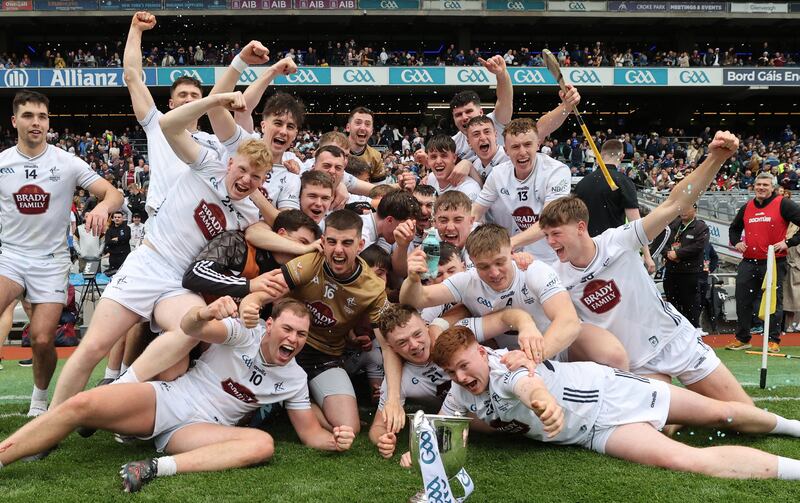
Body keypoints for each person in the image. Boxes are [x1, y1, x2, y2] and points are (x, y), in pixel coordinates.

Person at [50, 91, 271, 410]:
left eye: (256, 177)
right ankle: (49, 424)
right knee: (94, 345)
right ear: (231, 163)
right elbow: (168, 124)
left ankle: (116, 393)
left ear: (263, 182)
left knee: (189, 336)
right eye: (243, 170)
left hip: (181, 283)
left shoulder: (249, 212)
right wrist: (215, 100)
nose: (246, 180)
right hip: (148, 263)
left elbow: (270, 228)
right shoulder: (207, 163)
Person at [0, 298, 354, 492]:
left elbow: (309, 432)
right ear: (270, 325)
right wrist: (204, 313)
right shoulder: (242, 331)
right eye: (288, 329)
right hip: (170, 399)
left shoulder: (294, 376)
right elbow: (188, 329)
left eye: (302, 335)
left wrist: (334, 440)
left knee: (262, 445)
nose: (293, 339)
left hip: (199, 431)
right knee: (80, 404)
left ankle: (155, 468)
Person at [418, 325, 800, 480]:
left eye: (465, 366)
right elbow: (444, 429)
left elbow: (528, 388)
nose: (462, 377)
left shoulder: (505, 367)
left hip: (612, 392)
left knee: (724, 412)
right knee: (683, 459)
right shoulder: (460, 390)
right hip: (595, 432)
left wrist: (544, 404)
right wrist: (423, 451)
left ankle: (793, 427)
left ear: (482, 353)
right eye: (452, 372)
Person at [537, 131, 752, 405]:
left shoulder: (617, 241)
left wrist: (716, 158)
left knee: (744, 413)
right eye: (545, 236)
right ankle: (679, 409)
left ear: (580, 228)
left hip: (673, 341)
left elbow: (674, 204)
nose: (550, 242)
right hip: (637, 365)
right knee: (658, 423)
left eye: (555, 234)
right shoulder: (556, 276)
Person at [0, 90, 122, 416]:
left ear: (48, 122)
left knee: (41, 340)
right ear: (15, 122)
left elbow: (113, 192)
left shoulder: (66, 163)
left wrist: (104, 207)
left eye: (41, 116)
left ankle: (39, 402)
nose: (36, 122)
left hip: (51, 262)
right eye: (28, 116)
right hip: (9, 256)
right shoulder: (2, 164)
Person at [239, 210, 405, 435]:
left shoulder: (373, 287)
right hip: (286, 342)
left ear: (360, 245)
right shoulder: (310, 261)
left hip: (324, 356)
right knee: (241, 405)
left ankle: (287, 400)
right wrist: (250, 303)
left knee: (348, 427)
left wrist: (393, 399)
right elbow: (264, 293)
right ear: (323, 242)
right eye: (332, 242)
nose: (338, 250)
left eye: (347, 243)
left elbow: (388, 345)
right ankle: (285, 397)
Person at [400, 223, 627, 368]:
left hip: (554, 346)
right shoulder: (468, 280)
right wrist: (411, 278)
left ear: (512, 252)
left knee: (614, 355)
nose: (494, 273)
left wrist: (535, 356)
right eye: (484, 267)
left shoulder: (533, 271)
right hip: (503, 359)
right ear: (473, 263)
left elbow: (568, 322)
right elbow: (415, 300)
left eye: (500, 262)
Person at [471, 118, 570, 264]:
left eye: (527, 145)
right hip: (513, 260)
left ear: (538, 144)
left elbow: (549, 221)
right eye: (515, 147)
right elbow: (476, 212)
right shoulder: (498, 173)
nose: (522, 152)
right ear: (506, 150)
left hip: (550, 260)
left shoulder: (557, 171)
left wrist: (508, 243)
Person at [727, 172, 800, 353]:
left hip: (774, 261)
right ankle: (743, 338)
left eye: (765, 185)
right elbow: (734, 229)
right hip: (749, 261)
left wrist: (788, 242)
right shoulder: (747, 207)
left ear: (773, 187)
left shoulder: (783, 203)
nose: (761, 188)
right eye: (758, 184)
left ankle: (773, 340)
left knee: (773, 302)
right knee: (743, 299)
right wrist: (736, 242)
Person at [574, 138, 655, 273]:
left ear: (600, 155)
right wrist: (647, 255)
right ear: (622, 156)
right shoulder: (623, 181)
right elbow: (636, 222)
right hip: (614, 253)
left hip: (587, 253)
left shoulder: (582, 184)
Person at [660, 203, 709, 327]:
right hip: (671, 272)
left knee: (690, 306)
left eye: (687, 207)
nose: (684, 211)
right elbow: (662, 242)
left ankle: (692, 332)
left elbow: (698, 246)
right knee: (672, 305)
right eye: (682, 208)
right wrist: (668, 254)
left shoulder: (701, 227)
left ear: (695, 210)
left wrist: (678, 254)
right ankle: (675, 332)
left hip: (690, 274)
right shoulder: (673, 225)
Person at [423, 135, 481, 202]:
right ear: (428, 160)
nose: (438, 161)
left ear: (454, 158)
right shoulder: (431, 178)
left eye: (444, 156)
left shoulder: (468, 189)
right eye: (433, 157)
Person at [346, 107, 387, 183]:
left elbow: (379, 189)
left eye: (367, 124)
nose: (363, 128)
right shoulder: (334, 150)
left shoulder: (376, 156)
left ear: (371, 131)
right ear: (348, 127)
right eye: (358, 123)